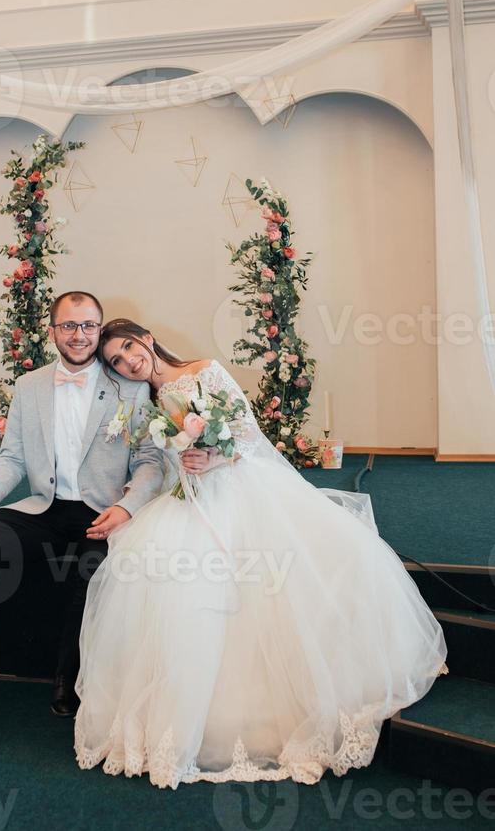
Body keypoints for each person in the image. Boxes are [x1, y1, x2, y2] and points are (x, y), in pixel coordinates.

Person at [74, 318, 449, 788]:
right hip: (185, 502)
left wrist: (215, 456)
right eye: (116, 361)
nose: (129, 360)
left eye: (129, 347)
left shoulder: (205, 369)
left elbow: (247, 433)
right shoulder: (140, 404)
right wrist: (134, 502)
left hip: (239, 490)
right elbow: (156, 463)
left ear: (146, 339)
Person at [0, 295, 164, 732]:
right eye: (69, 326)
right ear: (52, 331)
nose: (79, 335)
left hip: (101, 512)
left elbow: (150, 460)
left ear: (99, 329)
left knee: (93, 568)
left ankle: (68, 680)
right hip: (43, 508)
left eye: (88, 326)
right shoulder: (29, 386)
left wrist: (126, 508)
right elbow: (11, 457)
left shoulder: (130, 386)